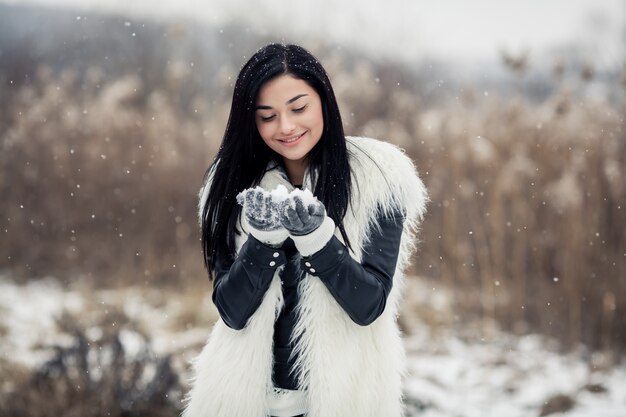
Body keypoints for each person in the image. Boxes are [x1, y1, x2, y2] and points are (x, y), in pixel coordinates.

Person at [183, 43, 427, 417]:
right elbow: (232, 312)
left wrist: (318, 241)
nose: (286, 127)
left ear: (324, 102)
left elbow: (368, 305)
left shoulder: (378, 179)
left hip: (342, 400)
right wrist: (262, 242)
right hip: (241, 401)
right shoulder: (233, 183)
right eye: (267, 116)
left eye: (299, 108)